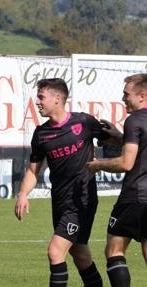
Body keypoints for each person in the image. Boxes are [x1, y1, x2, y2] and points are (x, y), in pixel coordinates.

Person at [14, 78, 109, 287]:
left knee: (55, 252)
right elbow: (33, 170)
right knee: (80, 255)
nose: (37, 101)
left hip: (81, 200)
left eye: (41, 97)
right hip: (59, 201)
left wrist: (120, 137)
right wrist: (23, 194)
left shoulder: (84, 122)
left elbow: (117, 141)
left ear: (57, 98)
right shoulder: (41, 133)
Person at [87, 73, 147, 287]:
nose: (123, 98)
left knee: (114, 250)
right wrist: (120, 136)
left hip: (134, 196)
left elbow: (126, 163)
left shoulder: (135, 120)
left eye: (126, 94)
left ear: (142, 96)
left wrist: (97, 165)